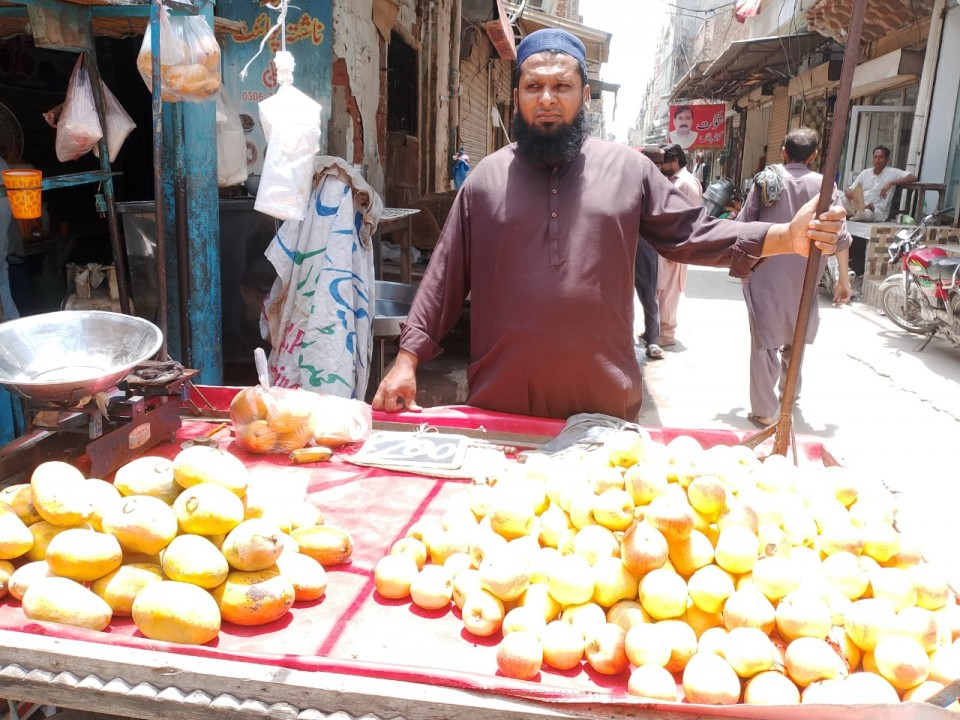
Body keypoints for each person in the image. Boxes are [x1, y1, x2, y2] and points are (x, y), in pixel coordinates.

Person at [371, 28, 846, 422]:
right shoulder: (485, 180)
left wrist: (784, 237)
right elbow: (444, 278)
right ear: (516, 96)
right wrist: (407, 359)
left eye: (562, 87)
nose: (548, 100)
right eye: (534, 87)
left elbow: (692, 233)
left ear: (585, 94)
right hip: (502, 400)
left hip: (604, 402)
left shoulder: (628, 170)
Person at [737, 128, 852, 428]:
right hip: (806, 275)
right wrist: (844, 281)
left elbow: (742, 228)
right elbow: (840, 237)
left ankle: (763, 410)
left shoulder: (766, 180)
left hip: (765, 272)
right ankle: (789, 393)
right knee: (795, 335)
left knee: (765, 341)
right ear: (814, 155)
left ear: (784, 152)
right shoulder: (826, 188)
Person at [656, 143, 701, 348]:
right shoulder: (675, 181)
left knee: (669, 290)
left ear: (674, 162)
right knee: (661, 288)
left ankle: (667, 333)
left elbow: (687, 219)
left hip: (676, 245)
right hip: (668, 244)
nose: (661, 167)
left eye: (664, 163)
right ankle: (660, 329)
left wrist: (676, 248)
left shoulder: (685, 183)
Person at [636, 146, 665, 360]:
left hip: (642, 242)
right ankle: (652, 338)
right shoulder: (658, 182)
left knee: (646, 291)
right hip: (642, 243)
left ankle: (653, 339)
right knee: (648, 291)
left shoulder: (653, 182)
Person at [842, 145, 917, 222]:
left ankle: (850, 215)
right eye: (875, 157)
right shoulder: (865, 173)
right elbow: (850, 189)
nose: (877, 160)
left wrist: (891, 183)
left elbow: (913, 177)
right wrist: (849, 192)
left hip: (876, 210)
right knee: (840, 196)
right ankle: (854, 214)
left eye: (881, 157)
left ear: (887, 159)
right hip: (860, 205)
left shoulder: (892, 172)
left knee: (866, 214)